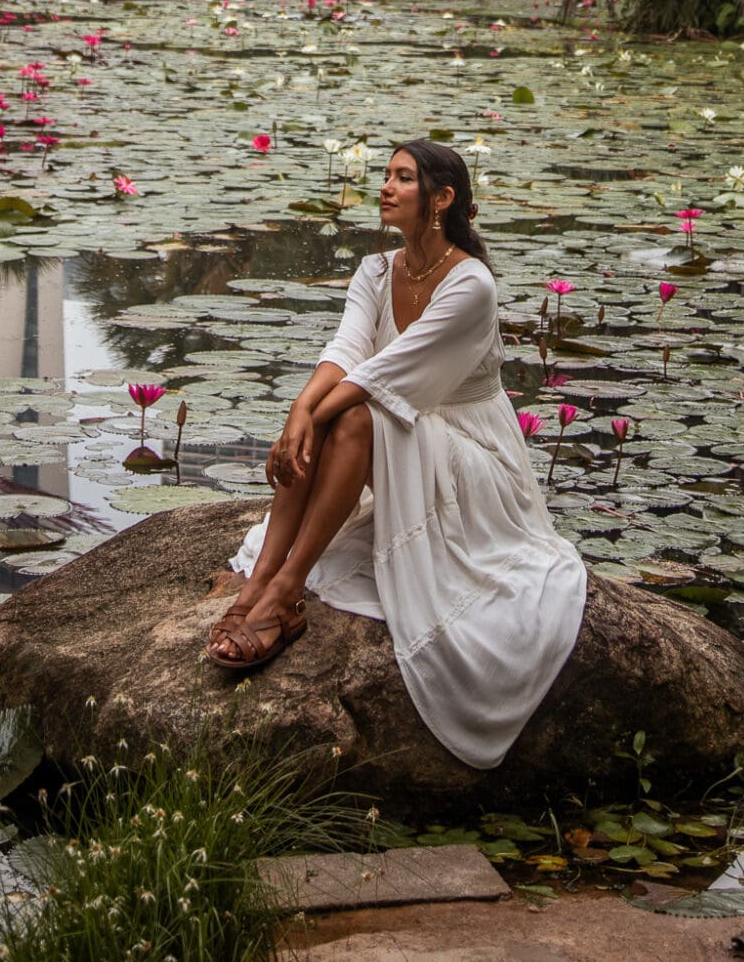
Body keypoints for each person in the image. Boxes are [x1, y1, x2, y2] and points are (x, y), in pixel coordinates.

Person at [206, 139, 588, 771]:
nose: (385, 187)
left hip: (473, 454)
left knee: (349, 415)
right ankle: (259, 585)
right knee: (335, 411)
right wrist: (300, 409)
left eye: (402, 179)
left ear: (442, 200)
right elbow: (347, 347)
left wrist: (310, 419)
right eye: (386, 176)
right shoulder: (376, 271)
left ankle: (287, 593)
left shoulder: (472, 286)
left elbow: (387, 374)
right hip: (401, 424)